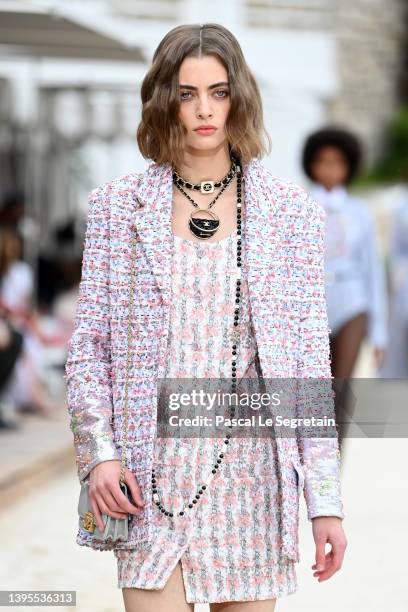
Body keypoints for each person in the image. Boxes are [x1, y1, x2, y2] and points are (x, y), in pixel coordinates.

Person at [65, 23, 346, 612]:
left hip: (251, 479)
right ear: (165, 101)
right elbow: (89, 347)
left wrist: (325, 502)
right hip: (148, 480)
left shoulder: (289, 214)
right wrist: (100, 453)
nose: (204, 110)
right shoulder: (118, 208)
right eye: (187, 94)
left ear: (238, 97)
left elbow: (309, 371)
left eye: (218, 92)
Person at [302, 127, 389, 449]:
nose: (330, 169)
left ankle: (334, 460)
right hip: (312, 306)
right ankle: (311, 455)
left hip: (352, 305)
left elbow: (372, 272)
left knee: (342, 385)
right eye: (323, 161)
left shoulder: (359, 212)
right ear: (311, 163)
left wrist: (379, 332)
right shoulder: (300, 205)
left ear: (349, 167)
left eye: (338, 162)